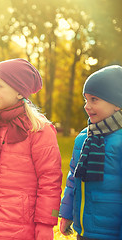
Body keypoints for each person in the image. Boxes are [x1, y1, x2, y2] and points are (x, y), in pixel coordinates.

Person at [0, 58, 63, 240]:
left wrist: (45, 223)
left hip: (19, 224)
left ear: (19, 92)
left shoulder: (38, 129)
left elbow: (50, 179)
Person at [59, 65, 122, 240]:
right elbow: (73, 179)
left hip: (111, 232)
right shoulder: (83, 138)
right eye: (86, 99)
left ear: (117, 103)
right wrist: (66, 213)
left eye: (94, 99)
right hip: (84, 230)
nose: (87, 106)